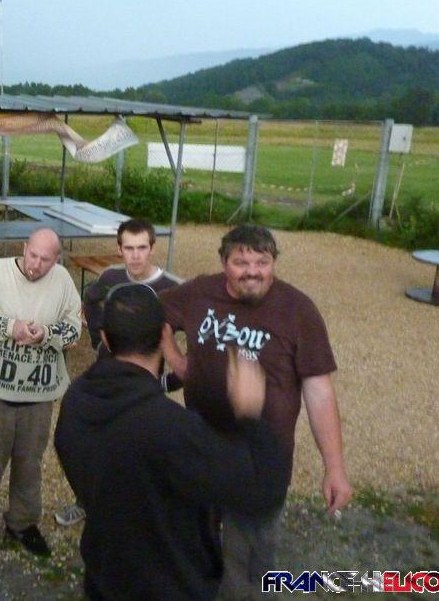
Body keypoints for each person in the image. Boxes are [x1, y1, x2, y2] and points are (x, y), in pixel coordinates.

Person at [54, 284, 291, 600]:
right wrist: (250, 413)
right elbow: (265, 488)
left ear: (106, 339)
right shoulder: (171, 428)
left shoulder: (76, 400)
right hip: (168, 585)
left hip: (104, 575)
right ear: (164, 336)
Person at [160, 223, 353, 600]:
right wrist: (179, 363)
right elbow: (153, 314)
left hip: (261, 464)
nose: (252, 271)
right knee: (197, 541)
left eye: (262, 262)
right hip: (202, 447)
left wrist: (334, 467)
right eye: (241, 262)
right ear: (223, 263)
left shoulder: (298, 310)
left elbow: (319, 391)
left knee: (249, 563)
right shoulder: (199, 292)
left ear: (273, 262)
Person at [0, 227, 81, 557]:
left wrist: (47, 334)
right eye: (32, 255)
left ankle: (23, 523)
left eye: (45, 259)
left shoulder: (63, 281)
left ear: (57, 259)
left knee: (30, 465)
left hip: (38, 397)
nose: (36, 264)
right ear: (23, 247)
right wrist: (8, 327)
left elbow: (74, 329)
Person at [55, 218, 182, 527]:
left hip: (146, 388)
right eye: (129, 248)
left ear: (153, 248)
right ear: (119, 249)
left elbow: (196, 339)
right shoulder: (111, 277)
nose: (136, 256)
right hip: (107, 379)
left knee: (140, 450)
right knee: (93, 443)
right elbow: (91, 300)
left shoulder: (173, 288)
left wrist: (171, 381)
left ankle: (136, 511)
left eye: (142, 248)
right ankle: (86, 500)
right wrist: (98, 339)